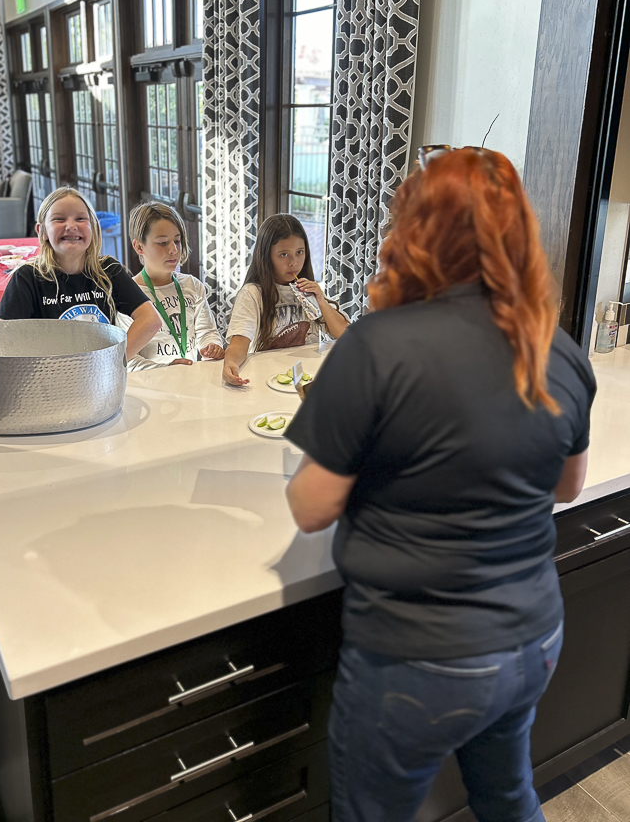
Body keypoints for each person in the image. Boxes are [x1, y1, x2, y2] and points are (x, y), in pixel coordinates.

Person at [284, 147, 596, 822]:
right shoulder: (557, 347)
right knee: (508, 794)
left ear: (415, 232)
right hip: (532, 640)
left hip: (418, 658)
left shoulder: (378, 345)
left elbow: (311, 507)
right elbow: (568, 485)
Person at [0, 188, 162, 358]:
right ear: (42, 231)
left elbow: (150, 320)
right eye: (59, 219)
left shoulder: (109, 271)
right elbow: (1, 337)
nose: (71, 226)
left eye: (81, 218)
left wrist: (114, 361)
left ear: (94, 227)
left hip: (99, 379)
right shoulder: (27, 278)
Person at [223, 213, 348, 386]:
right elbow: (239, 343)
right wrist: (230, 363)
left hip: (308, 377)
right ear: (266, 257)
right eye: (283, 254)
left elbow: (344, 334)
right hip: (266, 379)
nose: (294, 262)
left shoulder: (309, 289)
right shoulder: (252, 293)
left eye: (299, 252)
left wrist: (321, 301)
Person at [127, 201, 224, 369]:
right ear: (139, 246)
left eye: (177, 241)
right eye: (163, 243)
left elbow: (207, 332)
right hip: (152, 387)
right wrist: (165, 369)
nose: (173, 250)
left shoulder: (192, 285)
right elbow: (126, 360)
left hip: (190, 382)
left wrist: (212, 346)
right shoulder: (128, 295)